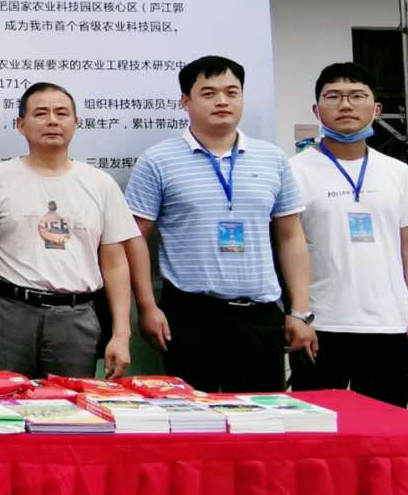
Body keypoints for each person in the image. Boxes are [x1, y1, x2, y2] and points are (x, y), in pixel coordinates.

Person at [124, 55, 316, 393]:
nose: (222, 101)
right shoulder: (158, 160)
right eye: (209, 93)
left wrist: (299, 311)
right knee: (194, 415)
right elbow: (133, 237)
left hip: (260, 315)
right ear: (186, 101)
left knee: (261, 415)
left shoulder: (272, 159)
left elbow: (290, 237)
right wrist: (147, 307)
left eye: (232, 92)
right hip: (191, 314)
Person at [287, 62, 408, 406]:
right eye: (333, 97)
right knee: (321, 430)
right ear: (316, 110)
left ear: (377, 109)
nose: (345, 105)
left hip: (391, 328)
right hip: (322, 327)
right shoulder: (293, 171)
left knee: (384, 430)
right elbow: (287, 245)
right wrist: (298, 315)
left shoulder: (397, 172)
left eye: (357, 96)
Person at [0, 81, 138, 377]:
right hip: (9, 313)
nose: (52, 120)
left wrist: (121, 333)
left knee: (71, 402)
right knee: (5, 399)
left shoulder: (100, 183)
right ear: (20, 124)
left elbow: (115, 262)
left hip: (76, 317)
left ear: (77, 122)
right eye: (41, 113)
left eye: (62, 113)